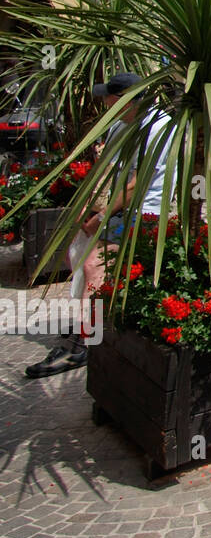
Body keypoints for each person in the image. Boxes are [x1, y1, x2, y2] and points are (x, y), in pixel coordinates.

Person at [25, 73, 173, 378]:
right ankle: (90, 319)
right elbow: (106, 169)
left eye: (108, 97)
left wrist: (100, 216)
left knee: (93, 265)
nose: (104, 102)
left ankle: (81, 344)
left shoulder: (159, 127)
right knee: (72, 254)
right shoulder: (121, 125)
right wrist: (84, 207)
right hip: (117, 205)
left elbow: (136, 184)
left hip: (144, 210)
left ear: (126, 100)